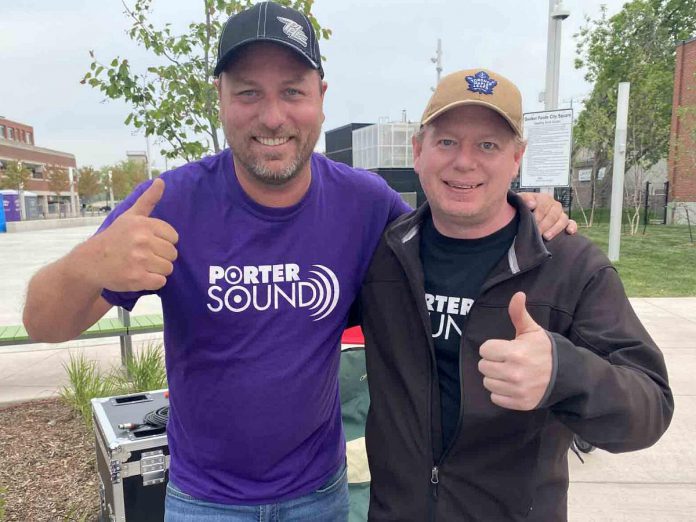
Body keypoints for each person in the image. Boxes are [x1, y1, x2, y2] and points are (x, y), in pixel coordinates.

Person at [23, 4, 571, 520]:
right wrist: (89, 263)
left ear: (321, 96)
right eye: (248, 93)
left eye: (292, 91)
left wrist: (523, 209)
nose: (272, 116)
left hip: (318, 495)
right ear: (220, 96)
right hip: (204, 501)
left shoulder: (366, 203)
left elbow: (456, 227)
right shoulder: (167, 203)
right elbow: (43, 324)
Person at [359, 68, 674, 521]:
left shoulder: (570, 266)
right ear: (417, 151)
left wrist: (564, 372)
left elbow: (651, 408)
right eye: (447, 141)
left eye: (488, 144)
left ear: (516, 158)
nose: (464, 162)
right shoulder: (381, 254)